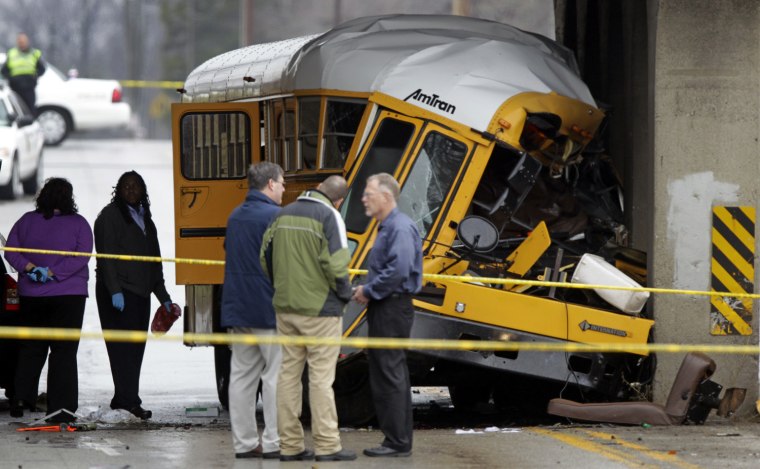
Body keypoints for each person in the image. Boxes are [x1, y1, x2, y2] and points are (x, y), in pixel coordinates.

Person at [260, 175, 356, 462]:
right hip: (320, 311)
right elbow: (336, 263)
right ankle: (327, 445)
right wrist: (344, 293)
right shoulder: (330, 216)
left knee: (288, 376)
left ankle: (290, 446)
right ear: (338, 200)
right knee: (320, 379)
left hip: (286, 309)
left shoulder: (283, 213)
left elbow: (265, 256)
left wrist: (282, 285)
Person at [3, 177, 93, 422]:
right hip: (69, 296)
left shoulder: (26, 221)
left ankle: (21, 398)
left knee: (31, 347)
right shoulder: (79, 224)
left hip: (32, 296)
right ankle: (61, 407)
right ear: (69, 198)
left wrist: (31, 268)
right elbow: (81, 256)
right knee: (63, 352)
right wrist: (54, 273)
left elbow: (10, 250)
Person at [351, 173, 422, 458]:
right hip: (389, 305)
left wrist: (369, 290)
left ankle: (397, 442)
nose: (364, 198)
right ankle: (398, 438)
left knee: (389, 374)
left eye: (369, 193)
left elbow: (399, 269)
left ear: (387, 196)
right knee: (390, 373)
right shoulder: (389, 227)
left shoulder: (399, 228)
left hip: (391, 306)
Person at [94, 171, 173, 420]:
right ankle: (129, 401)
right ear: (118, 189)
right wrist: (115, 290)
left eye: (135, 186)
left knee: (136, 348)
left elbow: (154, 262)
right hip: (117, 294)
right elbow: (106, 257)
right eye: (126, 186)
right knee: (121, 349)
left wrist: (164, 296)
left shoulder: (145, 220)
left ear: (142, 191)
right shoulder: (110, 216)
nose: (130, 189)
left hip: (140, 294)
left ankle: (124, 397)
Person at [221, 162, 285, 459]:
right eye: (282, 183)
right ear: (270, 184)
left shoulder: (235, 216)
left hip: (238, 308)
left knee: (242, 376)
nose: (284, 189)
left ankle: (244, 443)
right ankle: (274, 442)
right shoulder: (275, 217)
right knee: (275, 375)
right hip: (267, 308)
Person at [1, 33, 46, 114]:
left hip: (29, 87)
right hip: (15, 88)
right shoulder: (12, 53)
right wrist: (11, 78)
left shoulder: (34, 53)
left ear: (27, 42)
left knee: (30, 110)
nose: (21, 43)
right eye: (20, 41)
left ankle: (30, 124)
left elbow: (42, 69)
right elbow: (4, 70)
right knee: (16, 111)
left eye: (23, 41)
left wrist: (34, 76)